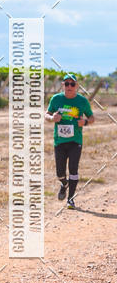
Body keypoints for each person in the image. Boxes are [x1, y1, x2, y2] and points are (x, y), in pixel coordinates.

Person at [45, 74, 94, 209]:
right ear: (63, 85)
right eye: (67, 84)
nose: (69, 86)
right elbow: (46, 114)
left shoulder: (82, 101)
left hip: (75, 141)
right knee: (60, 173)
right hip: (59, 141)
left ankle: (70, 199)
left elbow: (92, 118)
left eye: (72, 84)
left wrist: (85, 122)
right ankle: (64, 184)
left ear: (77, 86)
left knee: (73, 169)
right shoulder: (56, 99)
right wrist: (52, 118)